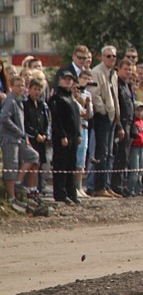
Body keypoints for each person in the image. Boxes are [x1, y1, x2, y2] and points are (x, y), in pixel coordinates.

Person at [0, 76, 39, 212]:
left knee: (33, 156)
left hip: (19, 138)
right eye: (18, 85)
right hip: (9, 139)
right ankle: (11, 197)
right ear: (11, 86)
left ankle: (19, 183)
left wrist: (23, 135)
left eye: (23, 85)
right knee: (11, 165)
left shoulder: (20, 101)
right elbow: (4, 118)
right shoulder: (10, 100)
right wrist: (18, 131)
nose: (21, 88)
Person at [88, 45, 121, 198]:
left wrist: (115, 115)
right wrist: (104, 111)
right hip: (102, 117)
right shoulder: (96, 72)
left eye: (113, 56)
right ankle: (99, 186)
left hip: (112, 117)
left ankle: (106, 185)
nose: (111, 59)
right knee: (101, 152)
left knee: (109, 153)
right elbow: (94, 95)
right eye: (108, 56)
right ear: (102, 57)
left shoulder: (113, 74)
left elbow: (114, 95)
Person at [48, 70, 82, 204]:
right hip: (62, 136)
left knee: (71, 165)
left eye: (70, 79)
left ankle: (71, 192)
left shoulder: (71, 98)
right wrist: (62, 135)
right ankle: (60, 193)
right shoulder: (56, 98)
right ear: (59, 80)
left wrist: (78, 134)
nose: (68, 81)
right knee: (61, 164)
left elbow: (76, 118)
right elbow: (56, 119)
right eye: (65, 79)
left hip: (73, 136)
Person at [23, 77, 49, 201]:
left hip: (41, 139)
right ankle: (28, 188)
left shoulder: (42, 105)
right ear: (29, 89)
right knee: (33, 162)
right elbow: (26, 122)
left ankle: (34, 188)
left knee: (38, 164)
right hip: (31, 138)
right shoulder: (25, 104)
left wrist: (44, 134)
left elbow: (46, 122)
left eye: (39, 89)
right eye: (34, 89)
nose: (37, 92)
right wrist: (35, 134)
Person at [112, 59, 135, 197]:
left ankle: (122, 183)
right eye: (125, 69)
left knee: (125, 157)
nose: (128, 72)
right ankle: (116, 184)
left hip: (129, 123)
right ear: (119, 69)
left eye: (130, 69)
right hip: (120, 123)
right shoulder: (117, 85)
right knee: (119, 156)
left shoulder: (127, 85)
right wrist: (119, 126)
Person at [73, 68, 94, 199]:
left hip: (85, 126)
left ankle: (79, 186)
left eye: (88, 78)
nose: (86, 81)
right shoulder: (74, 93)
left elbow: (89, 115)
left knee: (82, 158)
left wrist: (88, 104)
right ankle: (73, 186)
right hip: (75, 127)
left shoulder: (87, 94)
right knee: (74, 158)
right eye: (84, 78)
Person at [128, 102, 143, 196]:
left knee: (141, 170)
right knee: (135, 169)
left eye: (141, 110)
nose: (140, 113)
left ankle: (138, 189)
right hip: (134, 147)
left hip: (142, 147)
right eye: (137, 110)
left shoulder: (142, 122)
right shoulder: (134, 123)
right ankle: (130, 188)